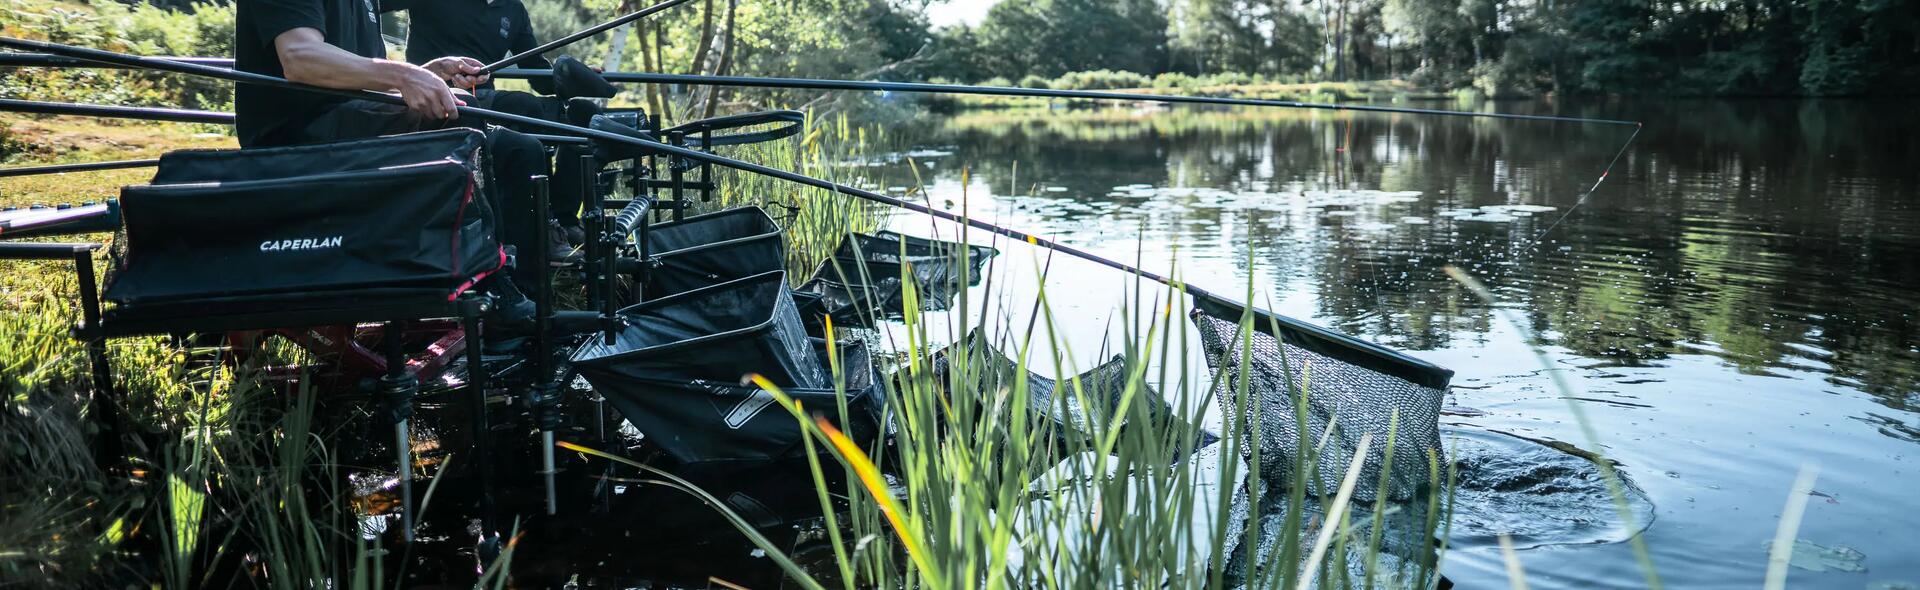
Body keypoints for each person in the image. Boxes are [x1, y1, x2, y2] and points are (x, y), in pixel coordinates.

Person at [234, 0, 548, 328]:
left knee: (519, 149)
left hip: (347, 119)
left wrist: (427, 73)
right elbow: (299, 57)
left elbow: (359, 74)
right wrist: (402, 74)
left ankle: (530, 304)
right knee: (461, 116)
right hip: (298, 135)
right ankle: (487, 292)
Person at [382, 0, 619, 248]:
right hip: (438, 99)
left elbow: (537, 73)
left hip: (487, 100)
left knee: (585, 114)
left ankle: (565, 220)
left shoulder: (513, 9)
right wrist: (381, 72)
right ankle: (541, 224)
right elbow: (368, 9)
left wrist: (574, 77)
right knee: (523, 107)